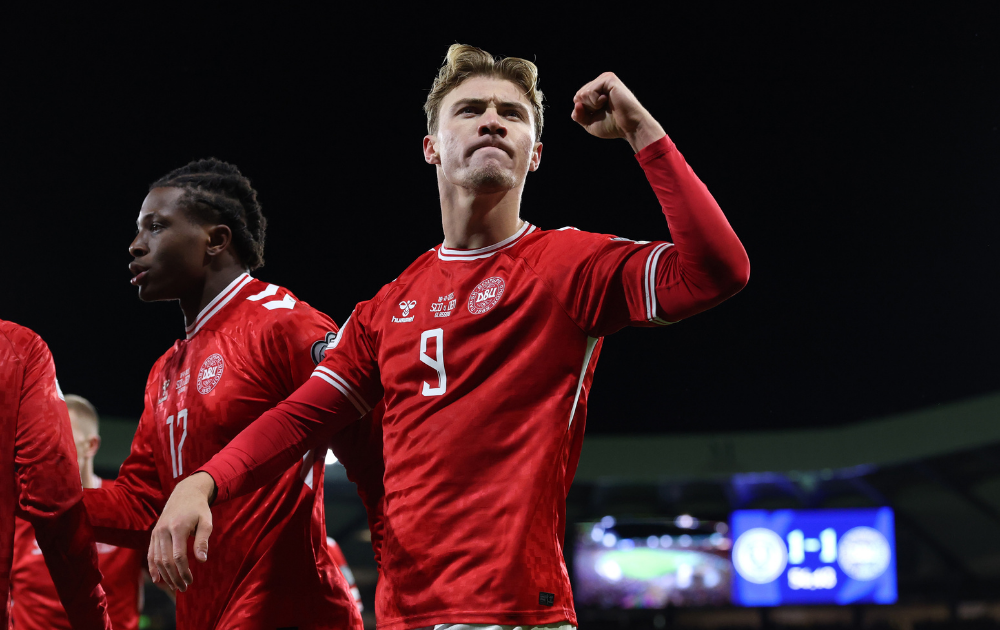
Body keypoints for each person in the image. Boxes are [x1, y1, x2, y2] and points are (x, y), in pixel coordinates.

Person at [151, 44, 751, 630]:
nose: (493, 120)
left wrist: (642, 132)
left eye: (512, 114)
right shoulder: (386, 309)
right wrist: (203, 482)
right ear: (431, 147)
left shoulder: (569, 266)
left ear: (535, 155)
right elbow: (298, 418)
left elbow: (716, 273)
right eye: (470, 109)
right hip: (406, 614)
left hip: (517, 613)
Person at [81, 159, 366, 629]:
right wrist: (37, 492)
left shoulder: (285, 323)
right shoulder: (163, 372)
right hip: (204, 615)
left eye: (156, 226)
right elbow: (143, 506)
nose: (136, 244)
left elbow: (373, 442)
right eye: (139, 229)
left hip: (290, 612)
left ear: (215, 239)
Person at [0, 321, 111, 630]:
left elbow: (169, 576)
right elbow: (51, 491)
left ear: (92, 445)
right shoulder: (18, 348)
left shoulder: (122, 507)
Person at [10, 395, 145, 629]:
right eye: (40, 441)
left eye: (59, 438)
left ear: (90, 446)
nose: (47, 451)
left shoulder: (127, 505)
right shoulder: (20, 508)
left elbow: (169, 581)